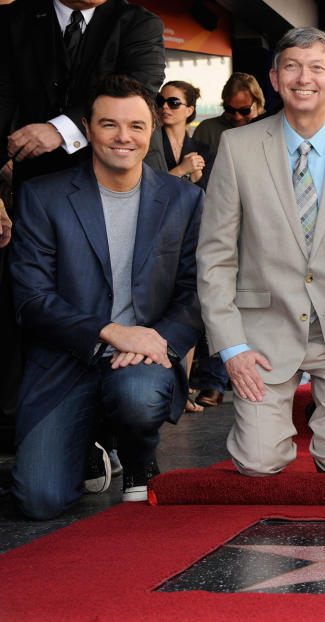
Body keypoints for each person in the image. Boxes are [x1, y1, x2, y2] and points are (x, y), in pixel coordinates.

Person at [197, 28, 325, 476]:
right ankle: (270, 429)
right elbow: (215, 256)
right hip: (263, 333)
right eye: (291, 66)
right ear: (273, 78)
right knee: (259, 462)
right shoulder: (237, 147)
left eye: (316, 67)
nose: (302, 77)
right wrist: (232, 347)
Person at [8, 74, 203, 519]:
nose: (123, 137)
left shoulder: (184, 199)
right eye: (109, 124)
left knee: (136, 398)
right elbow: (31, 298)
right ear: (87, 128)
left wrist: (155, 340)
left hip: (142, 358)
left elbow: (196, 292)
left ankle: (137, 457)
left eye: (136, 125)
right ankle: (90, 441)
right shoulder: (43, 196)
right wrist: (112, 331)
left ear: (152, 129)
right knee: (39, 501)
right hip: (65, 359)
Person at [0, 0, 166, 189]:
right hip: (39, 180)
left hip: (125, 176)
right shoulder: (12, 19)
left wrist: (60, 130)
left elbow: (138, 89)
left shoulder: (140, 22)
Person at [191, 73, 265, 156]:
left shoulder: (273, 127)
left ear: (258, 104)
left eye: (244, 110)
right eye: (230, 110)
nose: (237, 117)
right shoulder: (207, 130)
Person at [158, 81, 212, 190]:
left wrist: (197, 177)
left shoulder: (204, 151)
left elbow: (210, 197)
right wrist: (181, 170)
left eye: (174, 102)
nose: (164, 106)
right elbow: (149, 190)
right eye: (160, 101)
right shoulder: (149, 145)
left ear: (189, 110)